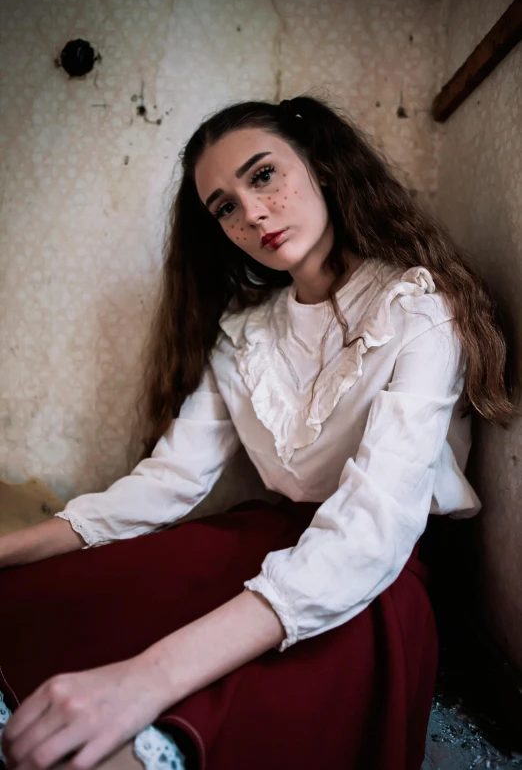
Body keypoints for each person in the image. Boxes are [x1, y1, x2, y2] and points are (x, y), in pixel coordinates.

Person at [0, 95, 517, 770]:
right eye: (224, 206)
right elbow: (166, 484)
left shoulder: (419, 308)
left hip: (374, 575)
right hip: (259, 537)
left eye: (263, 175)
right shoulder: (243, 334)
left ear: (323, 168)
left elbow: (368, 533)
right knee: (42, 605)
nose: (251, 214)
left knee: (201, 719)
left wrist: (144, 679)